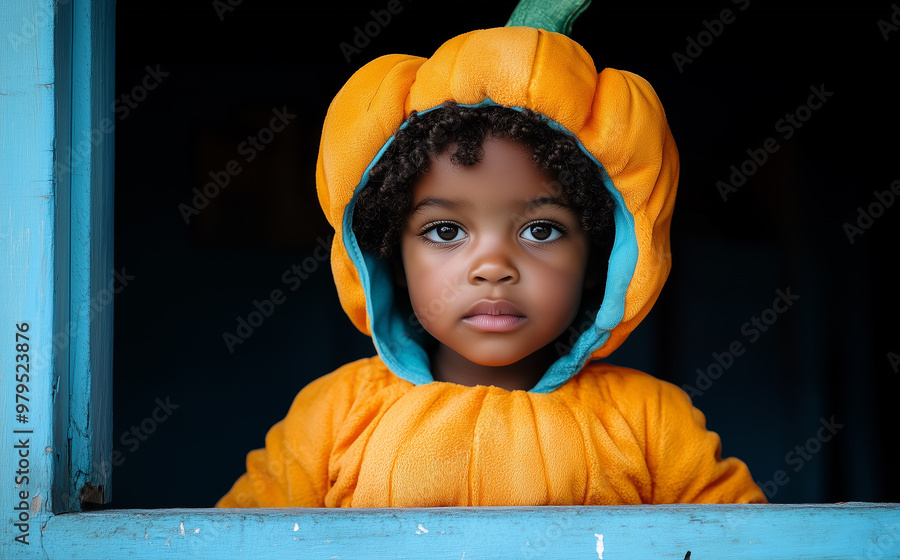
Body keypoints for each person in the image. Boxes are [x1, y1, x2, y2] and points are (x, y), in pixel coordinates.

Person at [216, 26, 766, 508]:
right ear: (389, 255)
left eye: (541, 230)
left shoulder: (651, 421)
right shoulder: (332, 415)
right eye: (446, 231)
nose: (494, 267)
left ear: (602, 254)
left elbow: (753, 544)